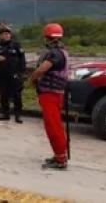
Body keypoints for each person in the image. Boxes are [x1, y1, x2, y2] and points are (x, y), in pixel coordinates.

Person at [29, 23, 69, 170]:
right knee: (55, 125)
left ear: (48, 38)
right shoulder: (62, 52)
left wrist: (32, 79)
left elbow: (41, 70)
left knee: (53, 126)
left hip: (50, 94)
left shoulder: (54, 54)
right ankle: (59, 154)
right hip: (55, 94)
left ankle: (60, 159)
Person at [0, 27, 26, 123]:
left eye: (8, 34)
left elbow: (22, 60)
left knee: (16, 95)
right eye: (4, 34)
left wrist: (21, 73)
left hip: (14, 74)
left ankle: (18, 115)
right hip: (2, 74)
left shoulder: (16, 45)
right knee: (3, 95)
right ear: (0, 36)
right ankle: (5, 113)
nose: (6, 35)